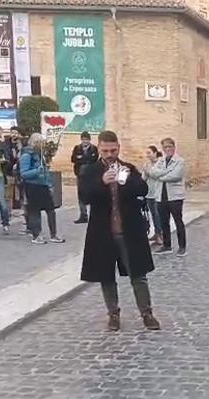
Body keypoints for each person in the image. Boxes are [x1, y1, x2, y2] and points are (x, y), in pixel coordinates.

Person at [78, 130, 160, 331]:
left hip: (129, 230)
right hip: (103, 232)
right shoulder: (90, 171)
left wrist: (126, 181)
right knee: (106, 275)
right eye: (105, 150)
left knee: (138, 274)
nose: (109, 154)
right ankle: (113, 314)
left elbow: (143, 189)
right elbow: (85, 196)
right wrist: (102, 182)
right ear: (100, 149)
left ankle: (147, 313)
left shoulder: (128, 168)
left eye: (113, 150)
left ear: (118, 148)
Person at [19, 133, 64, 245]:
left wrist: (49, 184)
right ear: (36, 143)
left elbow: (45, 171)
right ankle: (36, 235)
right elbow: (23, 173)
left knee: (51, 210)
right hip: (32, 186)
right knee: (35, 211)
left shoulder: (40, 155)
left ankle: (53, 234)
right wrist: (36, 171)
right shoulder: (27, 156)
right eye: (41, 143)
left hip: (43, 185)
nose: (43, 145)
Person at [148, 137, 187, 257]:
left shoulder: (180, 161)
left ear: (174, 147)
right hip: (161, 195)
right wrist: (166, 172)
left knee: (178, 221)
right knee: (164, 221)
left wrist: (160, 176)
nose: (168, 149)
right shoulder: (161, 160)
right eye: (165, 147)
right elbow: (152, 172)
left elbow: (176, 176)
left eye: (170, 146)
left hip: (175, 197)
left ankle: (182, 247)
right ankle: (167, 245)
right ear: (163, 149)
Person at [71, 131, 99, 224]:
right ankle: (83, 215)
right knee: (81, 195)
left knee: (92, 194)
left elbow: (94, 159)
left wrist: (81, 158)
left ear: (89, 140)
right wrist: (85, 158)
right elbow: (73, 159)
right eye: (84, 140)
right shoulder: (77, 148)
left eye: (87, 140)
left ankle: (94, 216)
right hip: (80, 175)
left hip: (91, 176)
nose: (85, 141)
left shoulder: (94, 148)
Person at [141, 145, 163, 245]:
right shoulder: (147, 164)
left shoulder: (161, 163)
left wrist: (148, 171)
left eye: (149, 153)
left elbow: (157, 175)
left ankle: (160, 234)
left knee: (158, 215)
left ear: (155, 153)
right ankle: (156, 233)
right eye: (147, 153)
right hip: (149, 193)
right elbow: (144, 178)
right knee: (153, 214)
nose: (147, 155)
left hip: (158, 192)